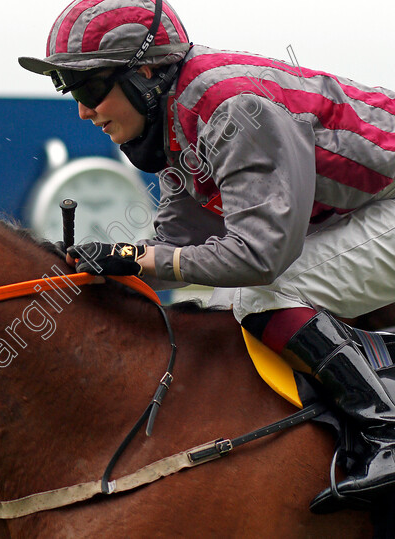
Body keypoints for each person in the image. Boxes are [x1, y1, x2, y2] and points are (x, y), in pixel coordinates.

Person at [19, 0, 395, 514]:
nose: (83, 110)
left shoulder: (231, 107)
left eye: (89, 87)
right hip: (374, 204)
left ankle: (384, 427)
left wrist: (136, 258)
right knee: (230, 300)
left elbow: (260, 256)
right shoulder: (180, 112)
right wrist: (108, 273)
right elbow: (182, 238)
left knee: (267, 295)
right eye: (70, 89)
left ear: (146, 72)